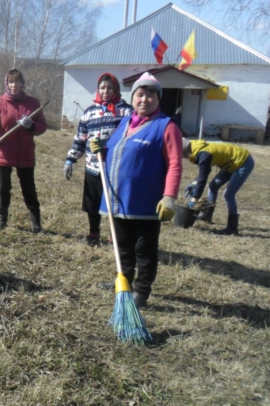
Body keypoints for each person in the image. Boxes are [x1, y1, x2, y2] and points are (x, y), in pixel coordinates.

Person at [91, 72, 183, 308]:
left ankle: (141, 291)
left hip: (146, 202)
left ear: (158, 99)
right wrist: (100, 149)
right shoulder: (124, 123)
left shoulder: (166, 126)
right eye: (139, 94)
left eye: (150, 95)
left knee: (144, 249)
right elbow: (113, 155)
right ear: (133, 98)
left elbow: (175, 163)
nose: (144, 99)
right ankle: (124, 281)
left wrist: (170, 196)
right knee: (122, 246)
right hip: (118, 199)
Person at [0, 68, 47, 233]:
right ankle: (2, 218)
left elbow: (42, 127)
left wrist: (31, 126)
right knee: (2, 188)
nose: (14, 85)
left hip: (25, 154)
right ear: (7, 83)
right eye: (11, 82)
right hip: (3, 154)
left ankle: (36, 224)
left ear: (22, 83)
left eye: (17, 82)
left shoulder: (32, 103)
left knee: (29, 189)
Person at [63, 73, 134, 246]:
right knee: (92, 202)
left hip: (116, 168)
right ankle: (93, 233)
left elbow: (130, 138)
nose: (106, 91)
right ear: (97, 89)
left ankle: (114, 237)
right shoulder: (89, 113)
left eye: (110, 88)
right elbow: (80, 139)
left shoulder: (126, 112)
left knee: (114, 203)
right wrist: (70, 160)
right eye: (102, 87)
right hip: (93, 167)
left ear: (116, 89)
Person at [182, 139, 254, 235]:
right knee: (213, 187)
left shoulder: (203, 155)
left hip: (242, 161)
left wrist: (194, 199)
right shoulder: (196, 148)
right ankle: (207, 215)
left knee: (228, 195)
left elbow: (203, 178)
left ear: (186, 154)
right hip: (229, 162)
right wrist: (195, 182)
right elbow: (202, 174)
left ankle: (232, 228)